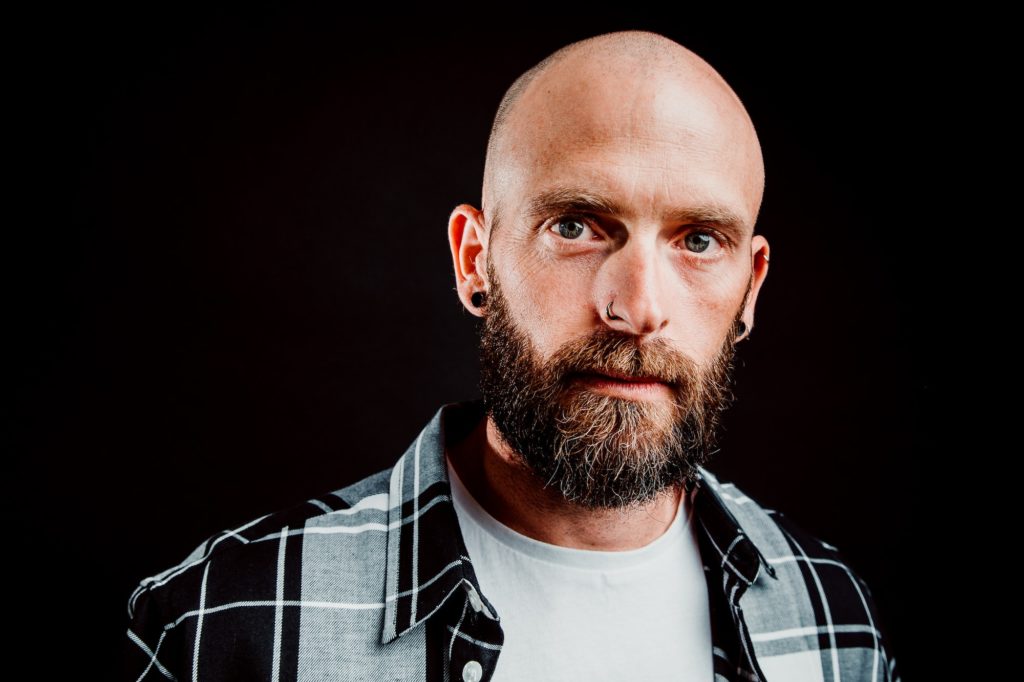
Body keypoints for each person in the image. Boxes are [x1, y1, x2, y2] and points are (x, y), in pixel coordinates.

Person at [124, 29, 900, 682]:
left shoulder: (836, 620)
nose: (639, 308)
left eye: (699, 242)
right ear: (474, 261)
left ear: (751, 288)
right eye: (576, 226)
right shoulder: (220, 627)